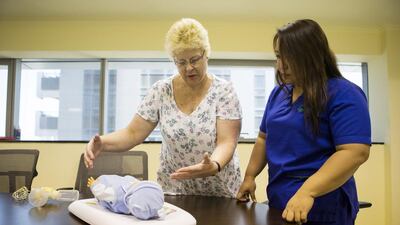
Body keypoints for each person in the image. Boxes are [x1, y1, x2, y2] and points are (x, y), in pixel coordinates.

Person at [85, 18, 242, 198]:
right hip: (174, 189)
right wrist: (102, 142)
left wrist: (213, 165)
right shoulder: (161, 90)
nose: (189, 68)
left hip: (218, 191)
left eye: (194, 59)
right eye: (181, 62)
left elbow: (227, 142)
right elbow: (133, 133)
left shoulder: (224, 91)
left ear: (206, 54)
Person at [236, 19, 371, 225]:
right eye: (279, 56)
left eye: (291, 58)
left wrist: (307, 192)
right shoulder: (279, 93)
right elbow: (264, 138)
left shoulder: (344, 93)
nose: (282, 66)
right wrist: (250, 176)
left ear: (313, 56)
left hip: (323, 204)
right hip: (280, 200)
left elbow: (354, 152)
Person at [87, 175, 164, 220]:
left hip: (107, 187)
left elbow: (100, 192)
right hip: (108, 183)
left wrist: (94, 185)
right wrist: (95, 184)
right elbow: (101, 193)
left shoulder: (116, 194)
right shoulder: (115, 192)